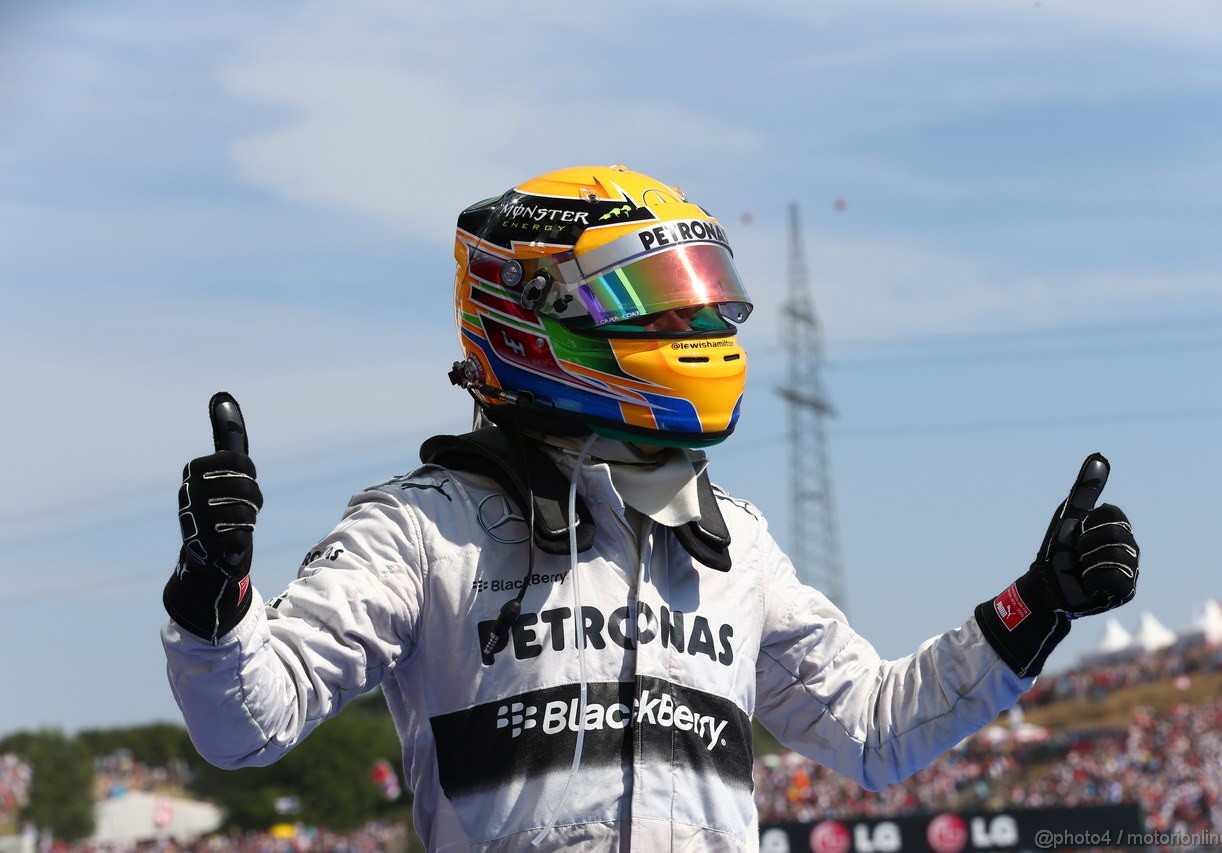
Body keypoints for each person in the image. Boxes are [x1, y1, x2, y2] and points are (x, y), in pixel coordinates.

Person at [162, 164, 1140, 851]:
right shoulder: (424, 528)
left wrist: (1031, 608)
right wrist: (216, 592)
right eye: (659, 308)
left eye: (704, 305)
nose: (699, 329)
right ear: (532, 311)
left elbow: (876, 731)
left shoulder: (734, 542)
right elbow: (248, 722)